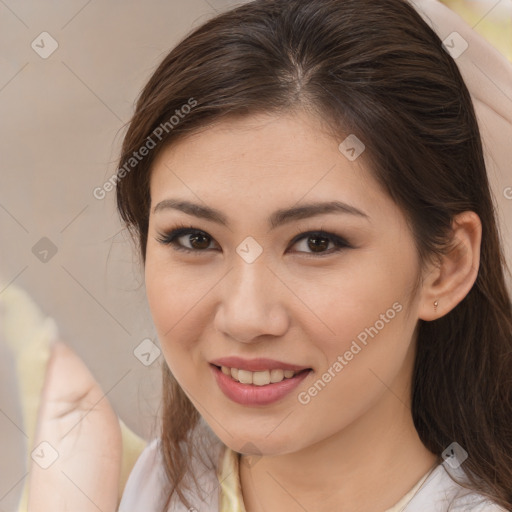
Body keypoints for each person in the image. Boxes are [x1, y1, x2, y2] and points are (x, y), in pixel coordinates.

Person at [26, 0, 512, 511]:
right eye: (195, 239)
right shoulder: (107, 484)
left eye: (316, 243)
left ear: (446, 267)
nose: (246, 317)